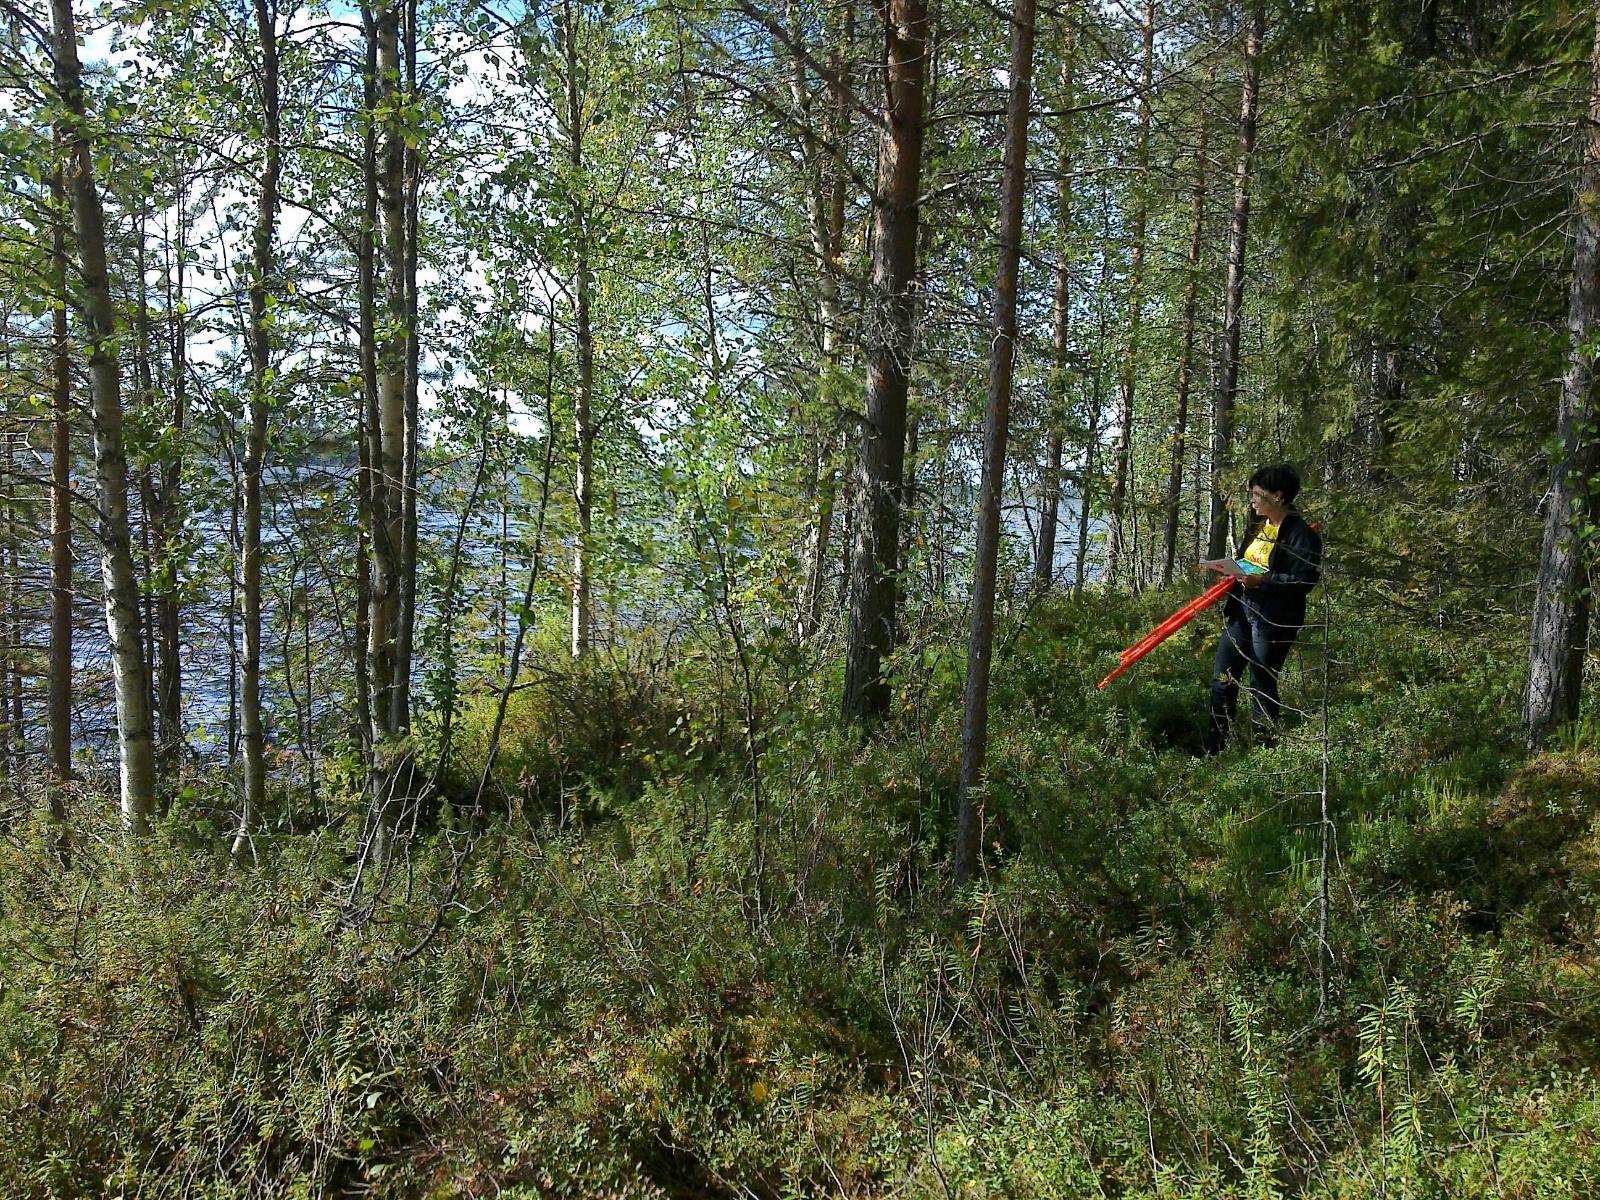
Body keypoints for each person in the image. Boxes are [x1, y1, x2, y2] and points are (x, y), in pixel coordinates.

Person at [1202, 464, 1322, 754]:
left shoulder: (1300, 534)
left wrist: (1263, 581)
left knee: (1261, 684)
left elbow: (1304, 581)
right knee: (1222, 679)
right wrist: (1231, 574)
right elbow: (1247, 562)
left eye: (1257, 494)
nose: (1252, 500)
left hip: (1273, 618)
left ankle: (1264, 752)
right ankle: (1215, 749)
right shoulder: (1259, 526)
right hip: (1242, 610)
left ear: (1278, 496)